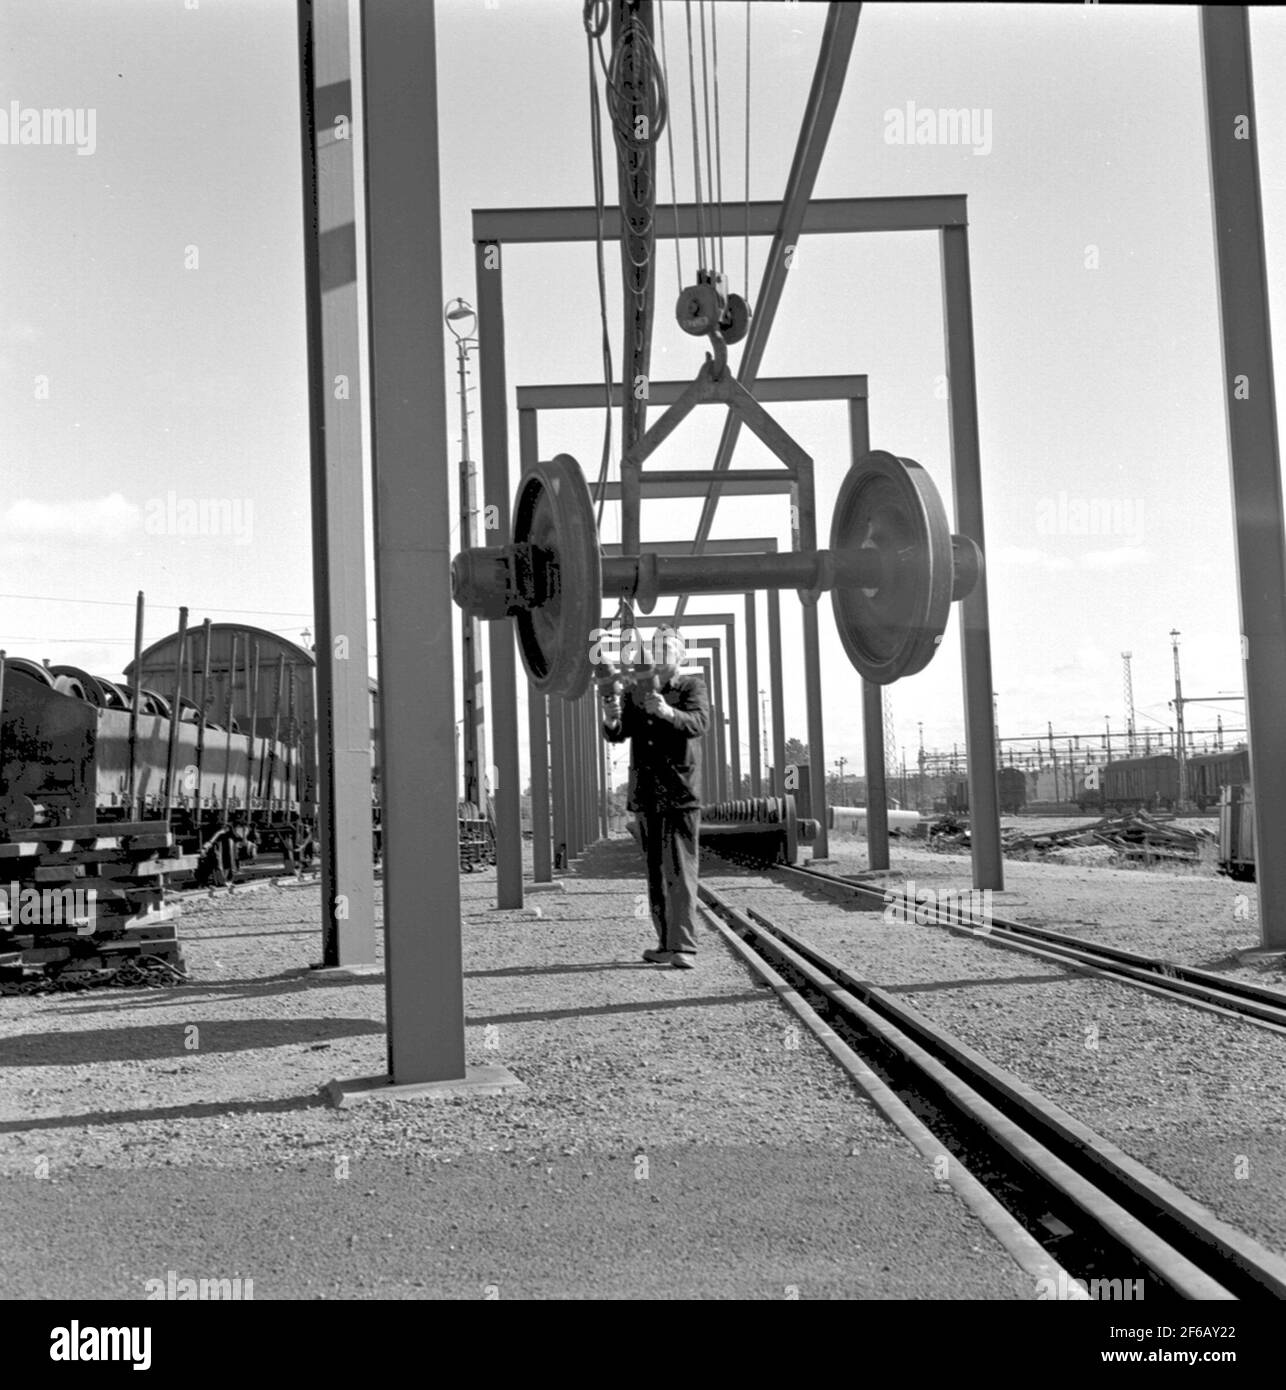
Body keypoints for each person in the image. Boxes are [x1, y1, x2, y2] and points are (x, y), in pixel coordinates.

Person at [600, 626, 709, 969]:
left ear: (681, 656)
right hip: (647, 794)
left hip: (679, 793)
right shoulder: (635, 690)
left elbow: (699, 723)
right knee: (656, 874)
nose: (659, 655)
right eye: (655, 648)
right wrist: (610, 716)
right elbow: (619, 733)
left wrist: (666, 712)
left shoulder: (691, 686)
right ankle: (665, 943)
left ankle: (684, 947)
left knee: (679, 871)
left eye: (667, 649)